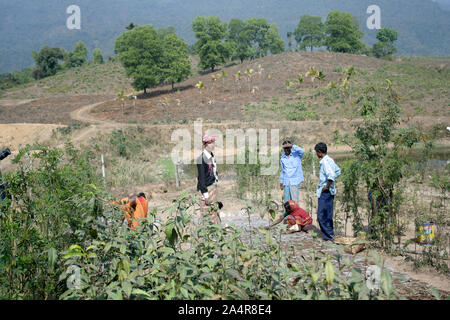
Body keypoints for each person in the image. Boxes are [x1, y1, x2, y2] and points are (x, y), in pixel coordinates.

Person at [314, 142, 341, 242]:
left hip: (326, 192)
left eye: (316, 152)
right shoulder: (330, 160)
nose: (316, 154)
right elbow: (338, 171)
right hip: (330, 192)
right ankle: (331, 235)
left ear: (320, 152)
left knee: (321, 216)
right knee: (328, 214)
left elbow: (330, 176)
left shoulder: (325, 162)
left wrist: (326, 186)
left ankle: (328, 237)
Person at [197, 133, 220, 224]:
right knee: (206, 215)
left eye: (213, 142)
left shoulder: (211, 156)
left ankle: (215, 236)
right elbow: (201, 179)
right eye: (211, 143)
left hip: (212, 187)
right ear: (206, 144)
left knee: (214, 213)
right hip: (205, 190)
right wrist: (206, 196)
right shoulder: (201, 159)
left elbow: (214, 170)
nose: (213, 145)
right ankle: (205, 236)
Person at [279, 140, 305, 213]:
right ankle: (287, 219)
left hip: (294, 181)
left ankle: (296, 217)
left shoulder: (296, 155)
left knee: (294, 200)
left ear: (290, 148)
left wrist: (292, 145)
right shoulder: (282, 158)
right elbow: (283, 170)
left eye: (288, 148)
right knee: (287, 201)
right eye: (285, 148)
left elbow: (302, 151)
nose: (287, 150)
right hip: (286, 181)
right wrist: (281, 181)